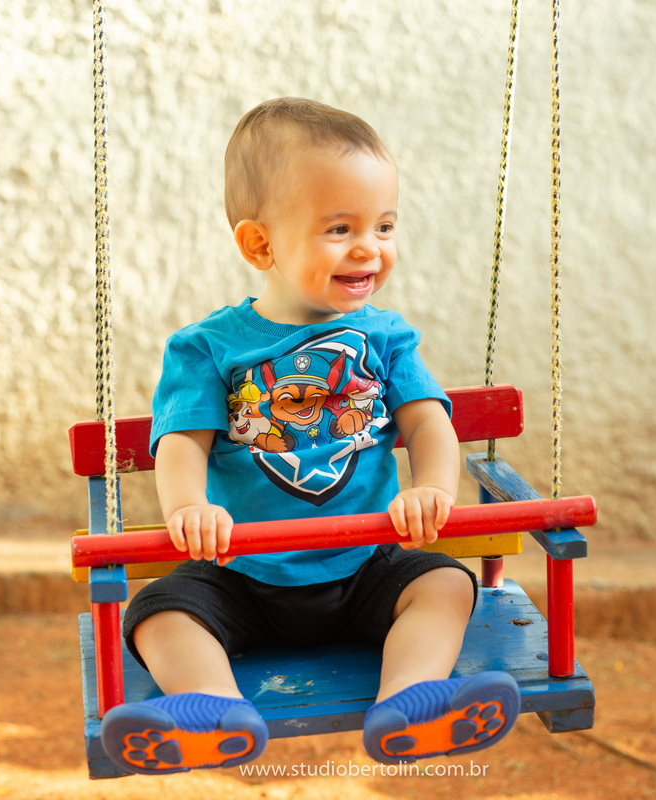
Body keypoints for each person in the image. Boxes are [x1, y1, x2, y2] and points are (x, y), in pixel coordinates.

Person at [100, 97, 519, 775]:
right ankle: (213, 712)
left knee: (445, 583)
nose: (370, 246)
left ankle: (411, 701)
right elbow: (181, 441)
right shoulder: (208, 347)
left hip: (366, 565)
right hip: (241, 571)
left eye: (384, 225)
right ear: (260, 244)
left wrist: (433, 489)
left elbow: (427, 421)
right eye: (340, 228)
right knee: (157, 609)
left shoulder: (385, 337)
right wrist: (189, 507)